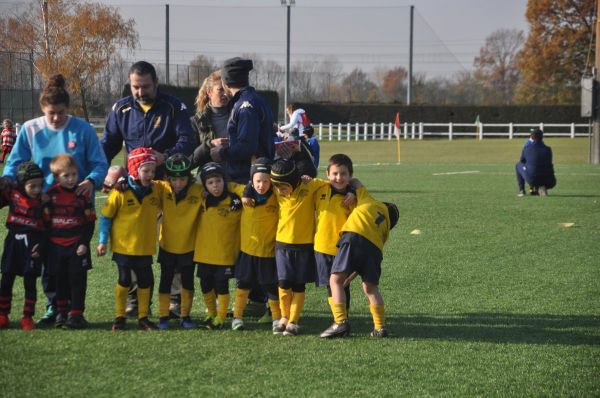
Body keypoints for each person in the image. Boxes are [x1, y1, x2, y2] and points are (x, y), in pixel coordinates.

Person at [2, 74, 108, 326]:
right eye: (51, 113)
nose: (57, 118)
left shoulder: (82, 129)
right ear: (42, 109)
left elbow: (99, 163)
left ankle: (74, 310)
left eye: (61, 112)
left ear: (67, 109)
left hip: (76, 207)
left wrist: (91, 181)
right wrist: (8, 182)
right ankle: (53, 307)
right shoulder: (30, 129)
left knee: (76, 260)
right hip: (43, 208)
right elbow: (14, 164)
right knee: (48, 259)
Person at [97, 147, 164, 331]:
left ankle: (143, 317)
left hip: (144, 246)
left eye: (152, 170)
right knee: (124, 279)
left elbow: (173, 191)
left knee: (146, 280)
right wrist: (102, 241)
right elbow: (106, 217)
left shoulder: (156, 189)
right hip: (123, 246)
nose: (150, 174)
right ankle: (120, 318)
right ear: (135, 170)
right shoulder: (120, 191)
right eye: (145, 170)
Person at [320, 192, 399, 339]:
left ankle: (340, 322)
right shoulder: (384, 232)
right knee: (370, 288)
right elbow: (366, 254)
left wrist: (351, 192)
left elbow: (356, 182)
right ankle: (380, 328)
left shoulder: (371, 201)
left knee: (335, 281)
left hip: (353, 236)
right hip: (375, 249)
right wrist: (353, 274)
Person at [269, 159, 333, 336]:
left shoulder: (309, 186)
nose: (280, 189)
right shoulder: (275, 190)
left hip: (304, 246)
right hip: (282, 245)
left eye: (284, 185)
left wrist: (352, 187)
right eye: (277, 185)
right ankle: (284, 316)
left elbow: (332, 183)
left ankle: (293, 321)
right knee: (283, 283)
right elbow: (255, 183)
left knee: (298, 286)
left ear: (294, 180)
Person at [102, 60, 197, 179]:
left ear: (156, 82)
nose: (141, 92)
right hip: (134, 182)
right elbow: (108, 145)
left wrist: (165, 157)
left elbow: (188, 140)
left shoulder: (174, 106)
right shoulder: (120, 109)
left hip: (167, 181)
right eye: (136, 87)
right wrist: (102, 172)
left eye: (146, 87)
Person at [43, 154, 96, 329]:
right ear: (57, 177)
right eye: (66, 175)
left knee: (77, 280)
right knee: (59, 280)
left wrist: (83, 242)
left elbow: (89, 222)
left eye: (74, 174)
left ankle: (76, 314)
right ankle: (61, 313)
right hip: (56, 246)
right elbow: (45, 222)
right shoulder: (50, 196)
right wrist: (47, 245)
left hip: (76, 246)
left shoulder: (83, 195)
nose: (72, 179)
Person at [155, 153, 203, 330]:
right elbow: (140, 181)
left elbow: (224, 185)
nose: (178, 183)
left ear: (189, 177)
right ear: (167, 178)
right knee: (165, 281)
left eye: (182, 179)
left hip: (189, 247)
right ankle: (163, 316)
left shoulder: (199, 190)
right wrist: (122, 180)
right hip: (166, 245)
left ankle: (185, 316)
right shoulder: (161, 188)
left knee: (187, 282)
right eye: (174, 179)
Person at [194, 162, 244, 329]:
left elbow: (247, 190)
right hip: (203, 254)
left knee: (221, 285)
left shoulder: (234, 201)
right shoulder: (201, 199)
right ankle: (211, 312)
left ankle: (221, 317)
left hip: (224, 254)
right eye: (210, 183)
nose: (215, 186)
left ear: (224, 180)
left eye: (218, 181)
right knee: (205, 285)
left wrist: (234, 189)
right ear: (205, 185)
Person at [233, 158, 280, 332]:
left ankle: (276, 318)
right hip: (248, 250)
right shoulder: (243, 192)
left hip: (268, 252)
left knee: (270, 286)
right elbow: (227, 186)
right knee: (243, 283)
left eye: (266, 181)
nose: (261, 185)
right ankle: (237, 317)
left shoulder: (277, 196)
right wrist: (245, 192)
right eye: (258, 181)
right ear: (251, 180)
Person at [210, 57, 275, 183]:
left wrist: (222, 153)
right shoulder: (256, 99)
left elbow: (247, 146)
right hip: (256, 175)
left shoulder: (245, 106)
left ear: (225, 83)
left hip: (248, 179)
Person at [0, 162, 45, 330]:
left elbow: (47, 227)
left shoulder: (43, 201)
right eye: (32, 186)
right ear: (21, 184)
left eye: (39, 185)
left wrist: (41, 246)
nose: (36, 189)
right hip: (13, 243)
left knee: (30, 282)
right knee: (6, 278)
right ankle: (3, 314)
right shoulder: (12, 194)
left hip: (32, 245)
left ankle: (27, 317)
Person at [313, 154, 358, 317]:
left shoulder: (352, 198)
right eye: (335, 174)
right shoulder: (320, 189)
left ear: (350, 176)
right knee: (329, 286)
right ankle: (338, 318)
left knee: (343, 284)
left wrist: (353, 190)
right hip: (322, 247)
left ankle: (342, 317)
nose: (338, 178)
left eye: (343, 174)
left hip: (343, 249)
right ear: (327, 174)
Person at [190, 70, 230, 168]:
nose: (225, 94)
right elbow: (191, 160)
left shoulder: (240, 115)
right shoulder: (196, 121)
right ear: (209, 92)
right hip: (209, 179)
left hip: (237, 178)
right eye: (221, 90)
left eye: (227, 90)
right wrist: (209, 145)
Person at [515, 129, 556, 197]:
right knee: (538, 167)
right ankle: (539, 188)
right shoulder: (548, 149)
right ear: (542, 137)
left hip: (533, 180)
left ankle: (522, 190)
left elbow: (522, 161)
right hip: (551, 181)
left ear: (532, 137)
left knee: (519, 165)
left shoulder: (527, 148)